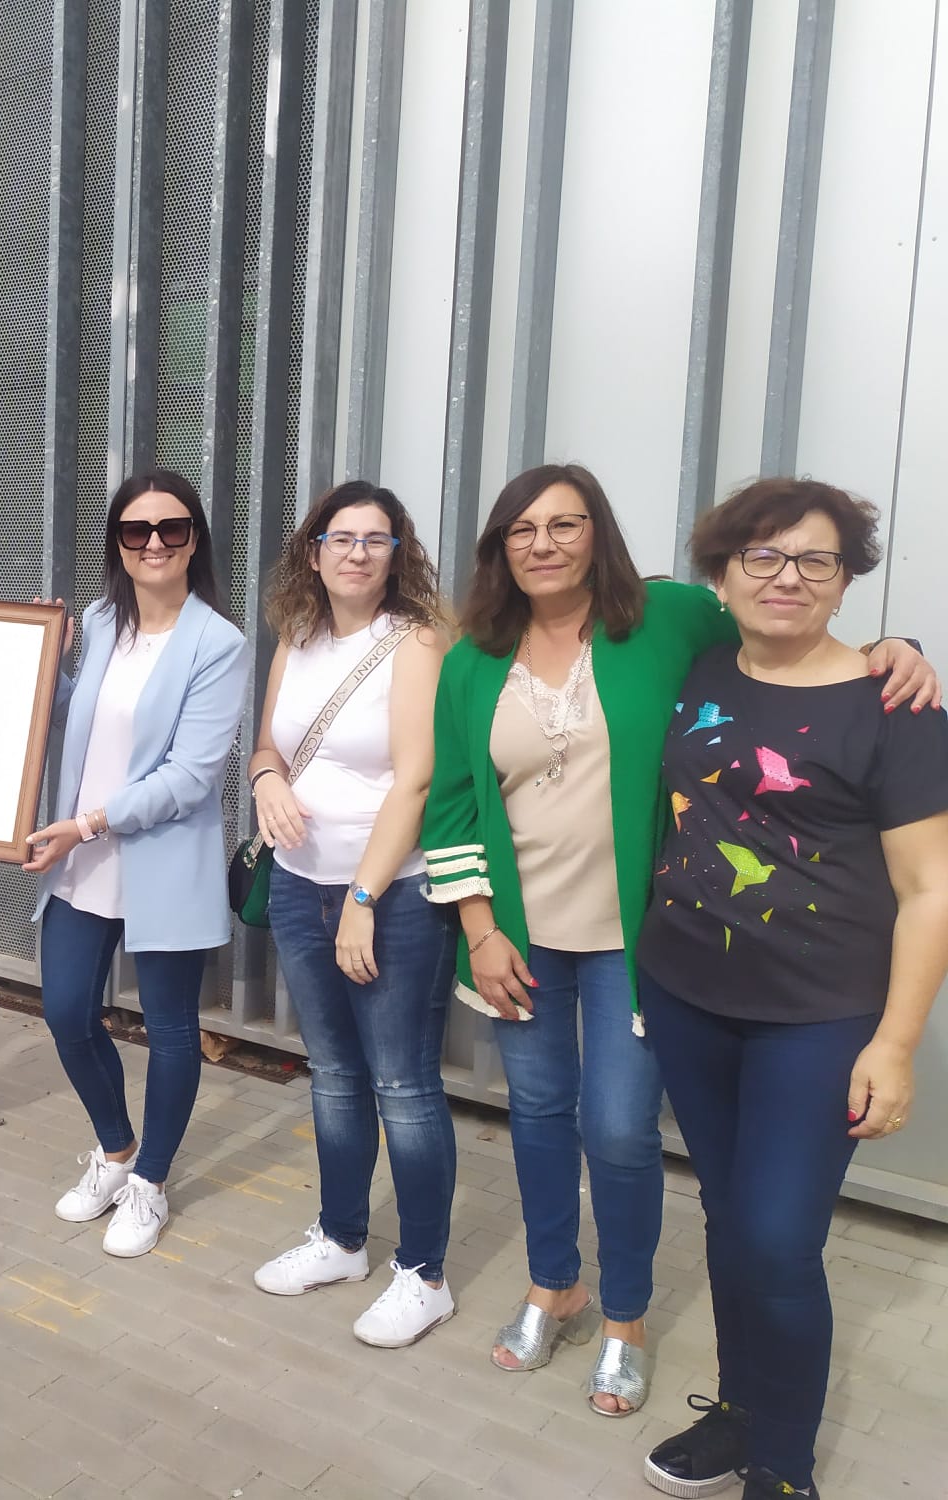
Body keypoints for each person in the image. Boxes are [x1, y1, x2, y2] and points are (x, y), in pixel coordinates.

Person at [420, 462, 937, 1417]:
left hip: (638, 936)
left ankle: (625, 1317)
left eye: (566, 524)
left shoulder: (666, 619)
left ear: (599, 535)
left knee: (619, 1130)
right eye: (523, 529)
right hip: (520, 936)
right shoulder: (472, 659)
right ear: (499, 548)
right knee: (538, 1113)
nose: (544, 544)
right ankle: (553, 1284)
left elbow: (785, 634)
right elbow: (450, 802)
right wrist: (480, 930)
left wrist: (891, 649)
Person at [636, 480, 948, 1500]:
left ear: (846, 578)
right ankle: (739, 1411)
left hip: (818, 1017)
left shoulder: (894, 708)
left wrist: (893, 1045)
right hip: (684, 994)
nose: (787, 578)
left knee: (776, 1239)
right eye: (761, 558)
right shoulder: (695, 665)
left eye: (816, 560)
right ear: (722, 576)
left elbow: (930, 888)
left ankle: (782, 1465)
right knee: (729, 1216)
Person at [244, 481, 457, 1346]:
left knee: (402, 1084)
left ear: (399, 554)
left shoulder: (416, 641)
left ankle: (425, 1273)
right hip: (299, 885)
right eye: (342, 538)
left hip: (391, 895)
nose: (358, 553)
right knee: (333, 1073)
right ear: (315, 550)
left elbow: (416, 779)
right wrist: (265, 779)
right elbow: (268, 744)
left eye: (377, 539)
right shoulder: (296, 638)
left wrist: (364, 898)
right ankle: (340, 1240)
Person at [24, 469, 250, 1259]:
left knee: (171, 1029)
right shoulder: (99, 620)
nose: (154, 543)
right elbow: (73, 714)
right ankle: (117, 1148)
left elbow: (191, 776)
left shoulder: (218, 643)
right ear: (116, 543)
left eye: (171, 528)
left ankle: (151, 1181)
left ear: (195, 541)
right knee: (66, 1012)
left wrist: (88, 823)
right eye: (136, 529)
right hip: (84, 863)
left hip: (158, 861)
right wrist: (37, 662)